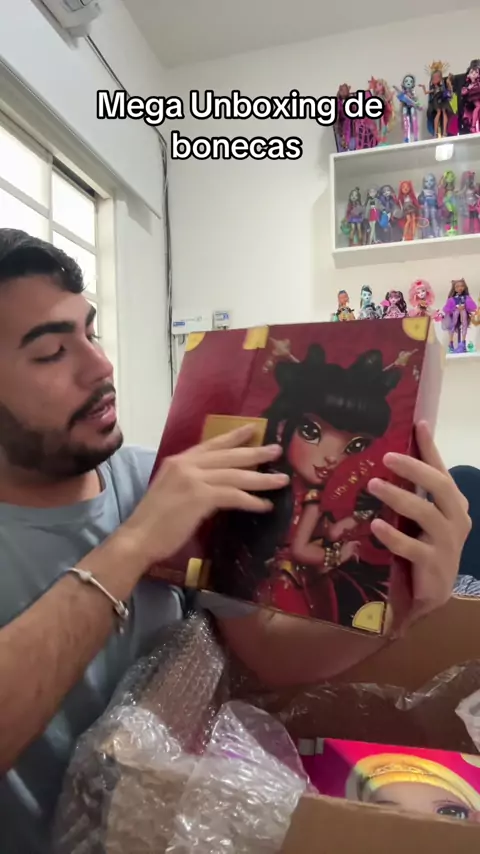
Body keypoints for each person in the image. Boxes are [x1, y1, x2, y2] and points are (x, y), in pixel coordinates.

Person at [0, 229, 471, 853]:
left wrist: (408, 603)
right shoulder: (159, 501)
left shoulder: (160, 476)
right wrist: (134, 544)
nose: (100, 366)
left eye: (91, 332)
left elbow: (268, 652)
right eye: (52, 352)